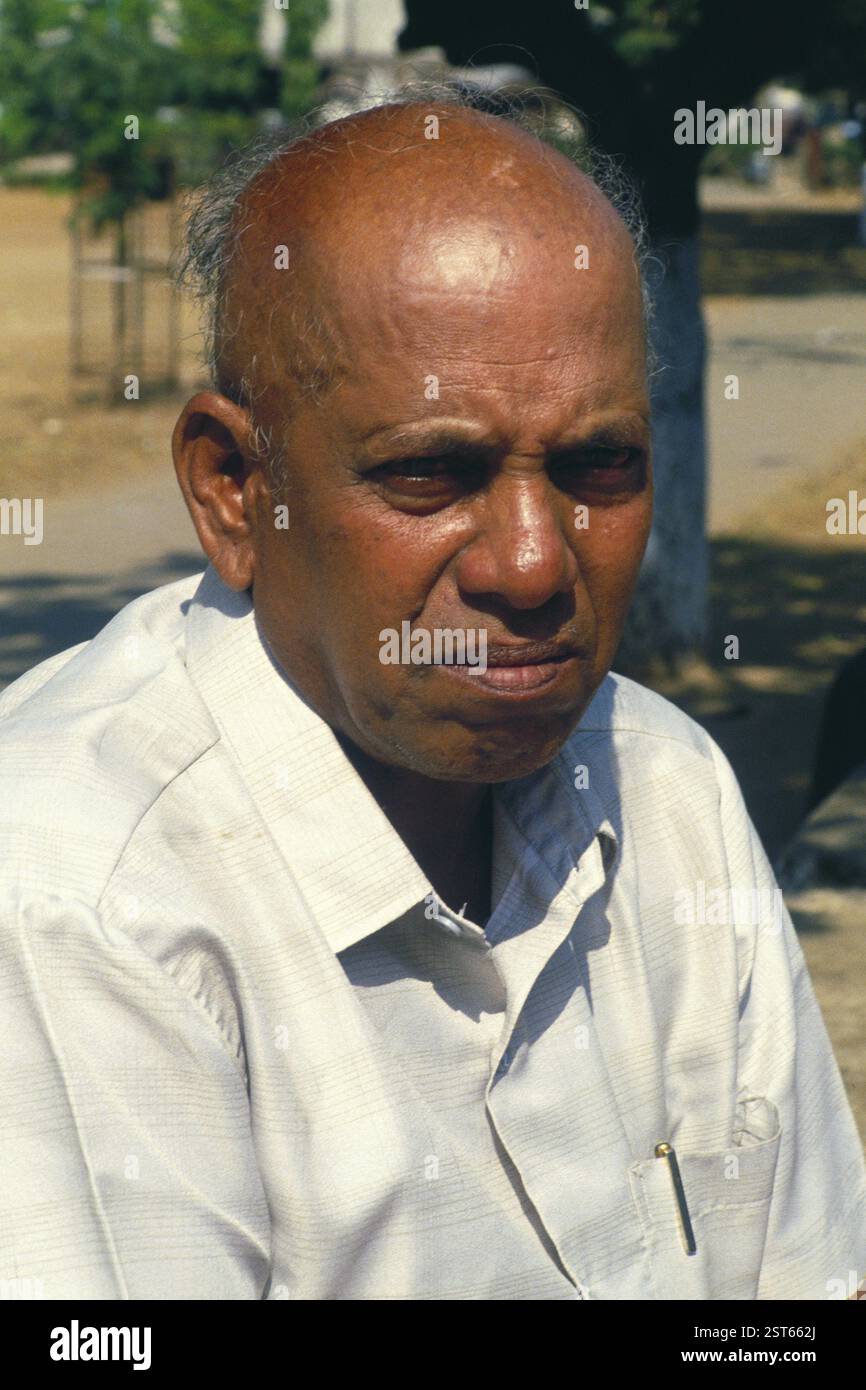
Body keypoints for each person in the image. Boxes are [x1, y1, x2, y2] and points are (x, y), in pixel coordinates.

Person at [0, 96, 863, 1301]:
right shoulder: (74, 894)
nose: (530, 561)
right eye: (429, 474)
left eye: (596, 466)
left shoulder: (664, 786)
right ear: (236, 491)